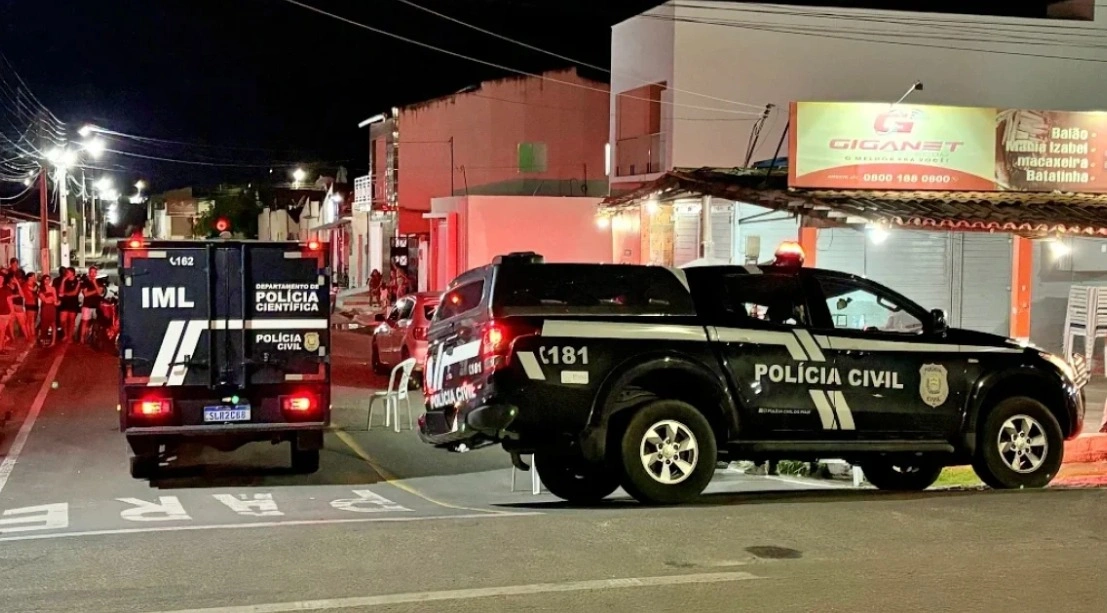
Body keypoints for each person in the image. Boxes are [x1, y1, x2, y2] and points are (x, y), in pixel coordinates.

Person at [79, 266, 103, 343]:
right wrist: (96, 291)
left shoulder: (100, 281)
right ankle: (82, 339)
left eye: (94, 272)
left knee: (97, 322)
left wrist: (95, 283)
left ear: (96, 273)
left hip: (96, 305)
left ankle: (95, 338)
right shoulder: (85, 282)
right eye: (91, 272)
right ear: (89, 273)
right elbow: (86, 294)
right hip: (87, 304)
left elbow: (100, 293)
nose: (92, 274)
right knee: (85, 321)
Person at [58, 268, 80, 343]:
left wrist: (64, 294)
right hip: (64, 303)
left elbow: (74, 293)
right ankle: (65, 334)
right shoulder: (64, 280)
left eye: (68, 272)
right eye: (66, 272)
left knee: (71, 320)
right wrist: (63, 281)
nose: (66, 273)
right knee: (62, 320)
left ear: (73, 273)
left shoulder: (77, 281)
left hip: (73, 303)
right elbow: (60, 292)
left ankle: (70, 336)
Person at [37, 274, 57, 346]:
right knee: (44, 324)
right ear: (43, 280)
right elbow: (45, 300)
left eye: (49, 279)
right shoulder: (40, 289)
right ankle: (43, 339)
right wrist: (50, 298)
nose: (47, 281)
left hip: (52, 308)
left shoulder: (53, 288)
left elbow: (55, 300)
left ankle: (53, 341)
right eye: (46, 279)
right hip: (45, 308)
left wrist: (50, 298)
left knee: (53, 325)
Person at [21, 274, 37, 342]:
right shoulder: (25, 285)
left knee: (32, 319)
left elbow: (36, 293)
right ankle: (29, 335)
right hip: (29, 303)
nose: (34, 278)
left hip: (34, 303)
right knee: (29, 319)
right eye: (33, 276)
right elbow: (29, 295)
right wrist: (34, 292)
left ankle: (33, 334)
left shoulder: (35, 284)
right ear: (29, 277)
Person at [0, 273, 13, 352]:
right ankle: (1, 348)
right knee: (2, 331)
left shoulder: (6, 289)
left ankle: (2, 346)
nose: (0, 280)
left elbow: (9, 300)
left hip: (6, 312)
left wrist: (12, 312)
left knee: (3, 331)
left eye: (2, 278)